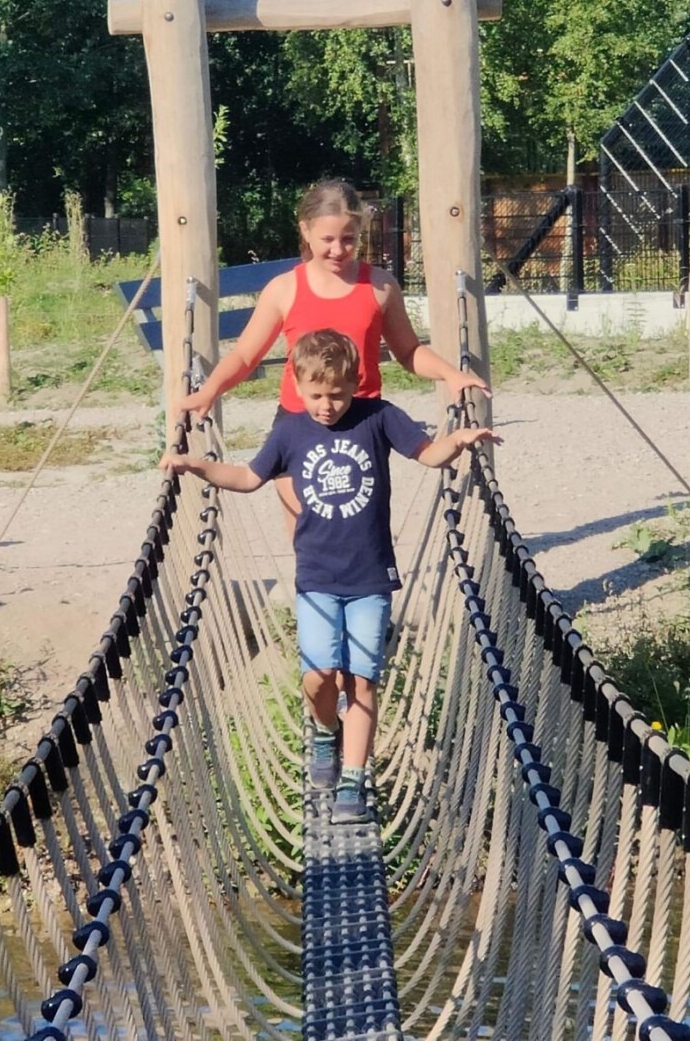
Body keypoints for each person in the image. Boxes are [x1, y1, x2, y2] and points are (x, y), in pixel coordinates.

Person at [162, 329, 500, 825]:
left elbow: (427, 453)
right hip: (317, 577)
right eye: (316, 395)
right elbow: (249, 478)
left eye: (337, 394)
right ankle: (324, 732)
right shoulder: (290, 433)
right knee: (319, 676)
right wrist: (198, 466)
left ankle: (353, 779)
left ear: (356, 384)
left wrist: (459, 441)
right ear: (297, 387)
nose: (327, 405)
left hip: (370, 577)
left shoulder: (378, 418)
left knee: (362, 681)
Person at [177, 178, 491, 532]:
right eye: (327, 239)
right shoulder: (284, 289)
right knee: (308, 535)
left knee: (358, 530)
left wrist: (451, 373)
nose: (339, 249)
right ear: (306, 231)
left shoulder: (381, 286)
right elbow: (246, 355)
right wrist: (210, 389)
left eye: (348, 239)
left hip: (362, 423)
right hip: (299, 422)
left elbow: (408, 351)